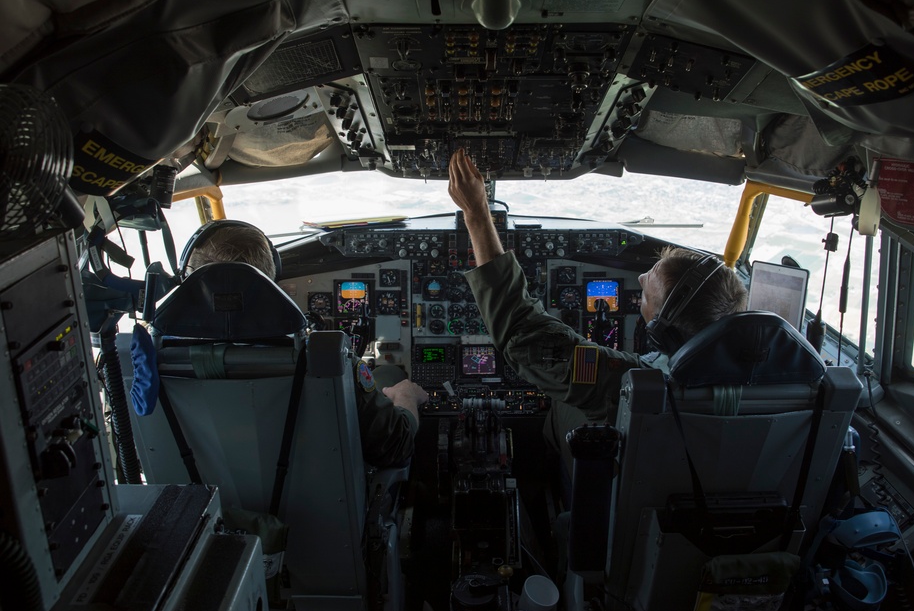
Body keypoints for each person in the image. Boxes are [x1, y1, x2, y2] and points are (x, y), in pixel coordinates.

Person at [447, 151, 748, 467]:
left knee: (564, 399)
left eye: (646, 293)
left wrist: (477, 213)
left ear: (663, 331)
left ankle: (552, 482)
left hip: (625, 488)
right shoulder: (781, 378)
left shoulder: (630, 383)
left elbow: (523, 337)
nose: (641, 277)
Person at [185, 220, 428, 467]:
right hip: (327, 501)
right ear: (271, 280)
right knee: (388, 373)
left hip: (204, 502)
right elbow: (396, 446)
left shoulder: (150, 366)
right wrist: (406, 395)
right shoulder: (323, 358)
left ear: (186, 277)